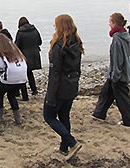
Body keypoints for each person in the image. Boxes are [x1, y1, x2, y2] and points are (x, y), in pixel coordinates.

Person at [92, 13, 130, 127]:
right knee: (106, 93)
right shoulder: (125, 34)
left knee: (123, 99)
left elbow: (118, 59)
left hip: (118, 74)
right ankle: (99, 114)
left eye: (110, 22)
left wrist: (115, 76)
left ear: (114, 24)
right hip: (116, 73)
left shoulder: (117, 38)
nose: (109, 24)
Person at [43, 14, 83, 161]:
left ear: (59, 26)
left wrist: (50, 96)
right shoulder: (77, 43)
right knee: (64, 115)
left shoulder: (58, 46)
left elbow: (55, 73)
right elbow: (77, 68)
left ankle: (71, 142)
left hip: (60, 87)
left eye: (55, 24)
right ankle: (64, 148)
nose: (54, 26)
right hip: (72, 84)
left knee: (48, 116)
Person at [0, 34, 27, 125]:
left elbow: (0, 66)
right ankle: (18, 119)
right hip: (22, 78)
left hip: (10, 78)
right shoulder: (15, 49)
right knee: (11, 96)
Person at [15, 17, 42, 101]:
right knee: (29, 73)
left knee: (23, 75)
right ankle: (34, 90)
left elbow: (17, 45)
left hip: (25, 56)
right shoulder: (35, 30)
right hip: (35, 55)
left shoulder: (20, 32)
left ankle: (24, 96)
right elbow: (40, 42)